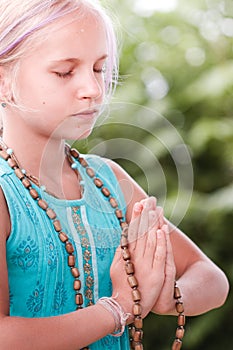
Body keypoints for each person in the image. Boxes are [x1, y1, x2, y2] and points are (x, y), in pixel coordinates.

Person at [0, 1, 229, 349]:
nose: (93, 88)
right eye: (64, 72)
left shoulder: (108, 182)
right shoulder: (5, 191)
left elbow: (211, 278)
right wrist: (121, 305)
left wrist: (166, 294)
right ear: (4, 81)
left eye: (99, 68)